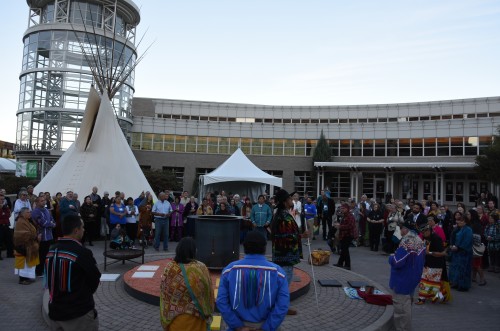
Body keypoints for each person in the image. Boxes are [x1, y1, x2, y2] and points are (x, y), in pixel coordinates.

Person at [217, 231, 289, 331]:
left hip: (237, 326)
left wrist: (238, 326)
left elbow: (221, 301)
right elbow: (283, 305)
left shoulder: (229, 270)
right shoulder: (278, 273)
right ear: (264, 248)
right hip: (266, 324)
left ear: (244, 247)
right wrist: (267, 327)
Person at [45, 214, 101, 331]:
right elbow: (94, 279)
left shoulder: (51, 250)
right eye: (82, 227)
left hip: (55, 311)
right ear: (76, 230)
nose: (84, 230)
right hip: (78, 315)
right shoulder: (82, 252)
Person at [160, 237, 214, 331]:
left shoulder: (169, 268)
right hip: (196, 321)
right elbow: (207, 292)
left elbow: (164, 292)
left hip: (175, 321)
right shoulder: (200, 268)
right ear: (193, 251)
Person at [270, 189, 303, 316]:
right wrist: (302, 235)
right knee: (284, 284)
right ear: (284, 202)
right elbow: (287, 236)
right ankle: (282, 308)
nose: (292, 200)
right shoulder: (284, 217)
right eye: (289, 198)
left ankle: (279, 305)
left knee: (281, 282)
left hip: (281, 255)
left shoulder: (281, 214)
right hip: (286, 256)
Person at [388, 220, 425, 331]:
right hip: (413, 277)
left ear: (406, 229)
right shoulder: (418, 239)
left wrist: (391, 257)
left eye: (401, 228)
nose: (399, 230)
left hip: (403, 278)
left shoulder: (407, 241)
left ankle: (403, 328)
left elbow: (398, 262)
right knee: (408, 303)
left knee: (401, 309)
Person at [417, 222, 451, 304]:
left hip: (436, 264)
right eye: (423, 232)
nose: (424, 234)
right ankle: (423, 298)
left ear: (429, 230)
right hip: (428, 262)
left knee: (433, 282)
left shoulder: (436, 238)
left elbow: (442, 253)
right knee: (425, 280)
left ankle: (441, 295)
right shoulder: (427, 238)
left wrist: (430, 253)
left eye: (425, 232)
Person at [13, 207, 39, 285]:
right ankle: (22, 279)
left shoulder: (27, 220)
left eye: (30, 212)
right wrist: (35, 236)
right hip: (23, 246)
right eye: (28, 212)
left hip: (30, 245)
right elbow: (22, 234)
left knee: (28, 264)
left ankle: (27, 277)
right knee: (23, 264)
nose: (30, 213)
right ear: (23, 213)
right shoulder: (20, 221)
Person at [31, 196, 56, 277]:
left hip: (49, 236)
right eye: (41, 201)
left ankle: (44, 269)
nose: (44, 202)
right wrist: (51, 224)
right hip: (41, 237)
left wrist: (52, 223)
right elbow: (43, 223)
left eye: (44, 200)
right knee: (41, 254)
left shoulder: (46, 210)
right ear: (37, 202)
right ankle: (38, 271)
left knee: (46, 254)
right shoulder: (35, 212)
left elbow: (52, 219)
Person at [448, 211, 473, 291]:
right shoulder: (460, 229)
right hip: (458, 252)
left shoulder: (468, 230)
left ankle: (463, 286)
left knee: (464, 269)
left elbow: (467, 241)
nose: (459, 222)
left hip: (464, 252)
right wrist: (453, 246)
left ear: (465, 222)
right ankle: (456, 283)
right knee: (456, 269)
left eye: (461, 221)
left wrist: (458, 247)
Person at [333, 202, 356, 270]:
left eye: (343, 208)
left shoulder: (350, 216)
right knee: (343, 249)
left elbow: (350, 226)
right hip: (344, 235)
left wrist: (340, 226)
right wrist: (338, 225)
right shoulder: (345, 215)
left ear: (347, 209)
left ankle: (348, 265)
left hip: (348, 235)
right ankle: (340, 263)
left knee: (345, 250)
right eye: (341, 208)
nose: (342, 209)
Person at [0, 193, 14, 259]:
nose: (2, 200)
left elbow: (8, 215)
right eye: (1, 199)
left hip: (6, 225)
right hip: (0, 225)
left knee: (9, 240)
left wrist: (4, 213)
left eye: (3, 199)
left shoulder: (6, 206)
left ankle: (10, 253)